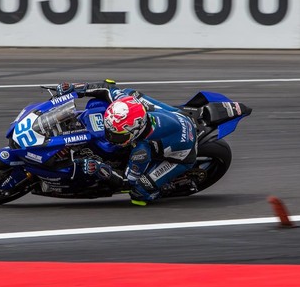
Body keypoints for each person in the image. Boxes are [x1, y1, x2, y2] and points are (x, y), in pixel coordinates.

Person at [56, 80, 197, 206]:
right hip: (178, 116)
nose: (110, 137)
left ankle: (161, 189)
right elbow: (107, 87)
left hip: (184, 154)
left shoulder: (141, 151)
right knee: (130, 92)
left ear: (135, 132)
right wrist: (75, 88)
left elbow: (127, 182)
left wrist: (100, 168)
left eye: (117, 136)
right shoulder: (126, 101)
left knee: (138, 192)